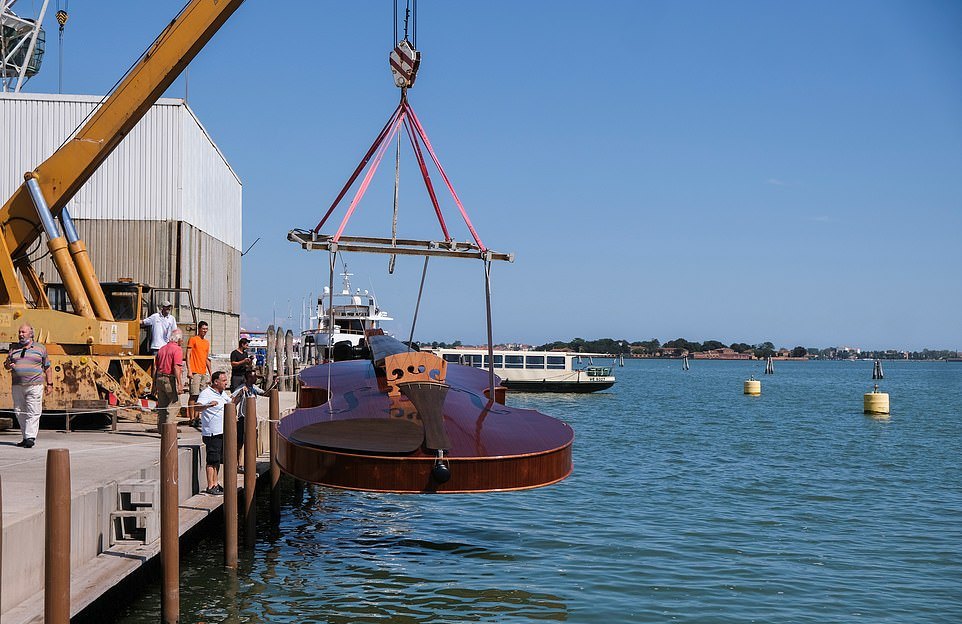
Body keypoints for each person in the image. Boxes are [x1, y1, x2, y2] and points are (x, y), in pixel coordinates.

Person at [4, 324, 53, 448]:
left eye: (23, 332)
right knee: (19, 411)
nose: (21, 334)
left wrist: (50, 384)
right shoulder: (13, 348)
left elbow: (47, 367)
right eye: (19, 332)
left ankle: (30, 437)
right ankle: (25, 437)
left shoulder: (40, 348)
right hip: (17, 385)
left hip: (34, 385)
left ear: (31, 334)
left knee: (33, 411)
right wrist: (9, 365)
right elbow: (6, 365)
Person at [231, 371, 278, 473]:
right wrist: (240, 394)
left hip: (252, 418)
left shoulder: (254, 388)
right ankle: (239, 464)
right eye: (253, 377)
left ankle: (249, 463)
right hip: (242, 417)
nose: (255, 379)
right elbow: (232, 402)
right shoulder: (241, 388)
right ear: (247, 378)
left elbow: (266, 394)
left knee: (252, 440)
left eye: (255, 377)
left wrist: (274, 384)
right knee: (240, 442)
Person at [196, 371, 234, 495]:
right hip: (212, 433)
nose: (226, 382)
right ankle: (210, 485)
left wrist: (240, 394)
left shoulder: (222, 393)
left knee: (217, 460)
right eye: (223, 380)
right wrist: (208, 405)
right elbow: (196, 407)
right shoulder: (206, 393)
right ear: (216, 382)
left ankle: (216, 483)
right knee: (212, 459)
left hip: (222, 431)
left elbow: (231, 402)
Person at [153, 329, 184, 426]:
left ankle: (161, 429)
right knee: (175, 404)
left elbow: (155, 367)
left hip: (159, 378)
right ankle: (168, 428)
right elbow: (176, 367)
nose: (182, 341)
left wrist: (154, 384)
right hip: (169, 379)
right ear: (178, 339)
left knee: (162, 405)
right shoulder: (177, 349)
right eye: (181, 339)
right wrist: (179, 384)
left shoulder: (162, 349)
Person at [186, 320, 212, 428]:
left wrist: (211, 373)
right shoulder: (193, 339)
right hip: (195, 371)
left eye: (206, 329)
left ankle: (197, 417)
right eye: (203, 329)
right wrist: (189, 370)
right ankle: (191, 418)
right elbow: (187, 355)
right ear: (199, 329)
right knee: (193, 394)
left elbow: (206, 359)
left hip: (203, 372)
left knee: (201, 396)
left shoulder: (206, 343)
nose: (205, 331)